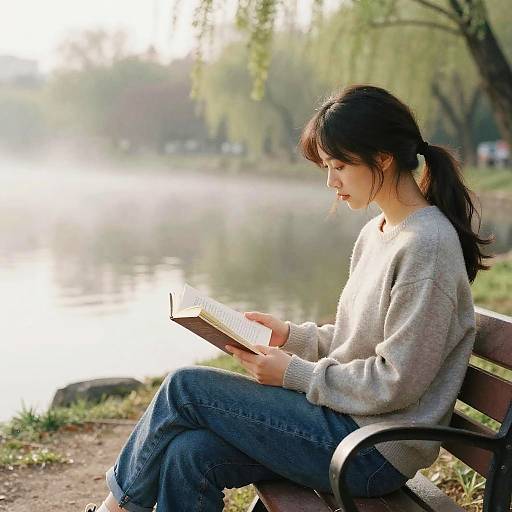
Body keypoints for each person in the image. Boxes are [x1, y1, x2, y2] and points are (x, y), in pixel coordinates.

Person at [85, 84, 494, 512]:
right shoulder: (378, 233)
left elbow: (396, 381)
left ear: (383, 159)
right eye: (326, 167)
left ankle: (113, 510)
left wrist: (293, 374)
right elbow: (357, 341)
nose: (331, 182)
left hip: (372, 451)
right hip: (345, 425)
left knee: (185, 388)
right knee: (189, 454)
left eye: (338, 166)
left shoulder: (426, 245)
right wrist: (290, 337)